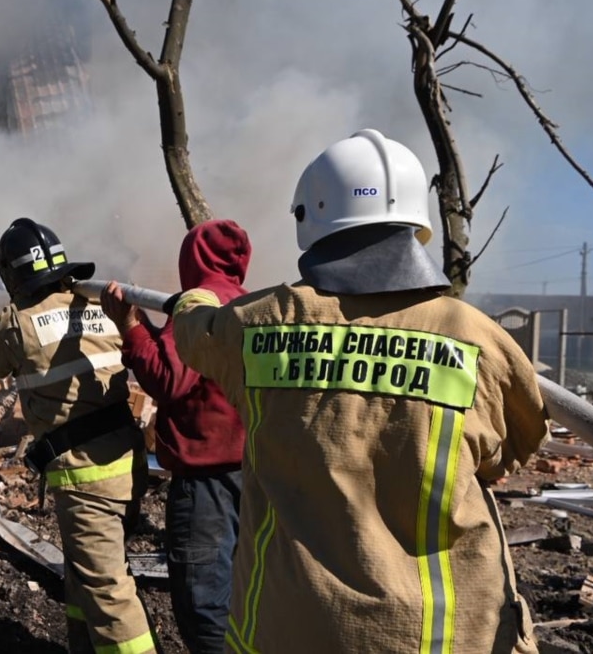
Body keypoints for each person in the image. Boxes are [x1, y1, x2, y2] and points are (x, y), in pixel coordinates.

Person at [169, 129, 549, 653]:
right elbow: (511, 450)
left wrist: (191, 297)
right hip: (434, 637)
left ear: (309, 219)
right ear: (417, 222)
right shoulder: (478, 339)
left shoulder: (256, 325)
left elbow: (194, 334)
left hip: (282, 629)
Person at [0, 217, 158, 654]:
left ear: (11, 276)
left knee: (108, 592)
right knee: (84, 573)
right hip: (127, 465)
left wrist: (9, 313)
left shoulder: (15, 326)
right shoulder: (96, 307)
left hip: (87, 479)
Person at [100, 219, 251, 654]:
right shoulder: (249, 303)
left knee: (203, 602)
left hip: (206, 488)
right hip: (254, 475)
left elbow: (168, 378)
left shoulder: (196, 307)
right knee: (245, 593)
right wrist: (144, 326)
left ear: (192, 259)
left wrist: (129, 325)